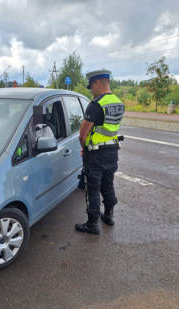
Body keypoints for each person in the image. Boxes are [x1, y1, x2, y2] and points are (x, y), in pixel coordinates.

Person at [75, 69, 125, 234]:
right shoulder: (118, 103)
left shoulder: (96, 105)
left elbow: (82, 134)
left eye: (91, 87)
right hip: (112, 152)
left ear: (97, 83)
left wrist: (84, 149)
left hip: (95, 154)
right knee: (108, 184)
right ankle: (109, 216)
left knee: (93, 188)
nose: (91, 91)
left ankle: (92, 224)